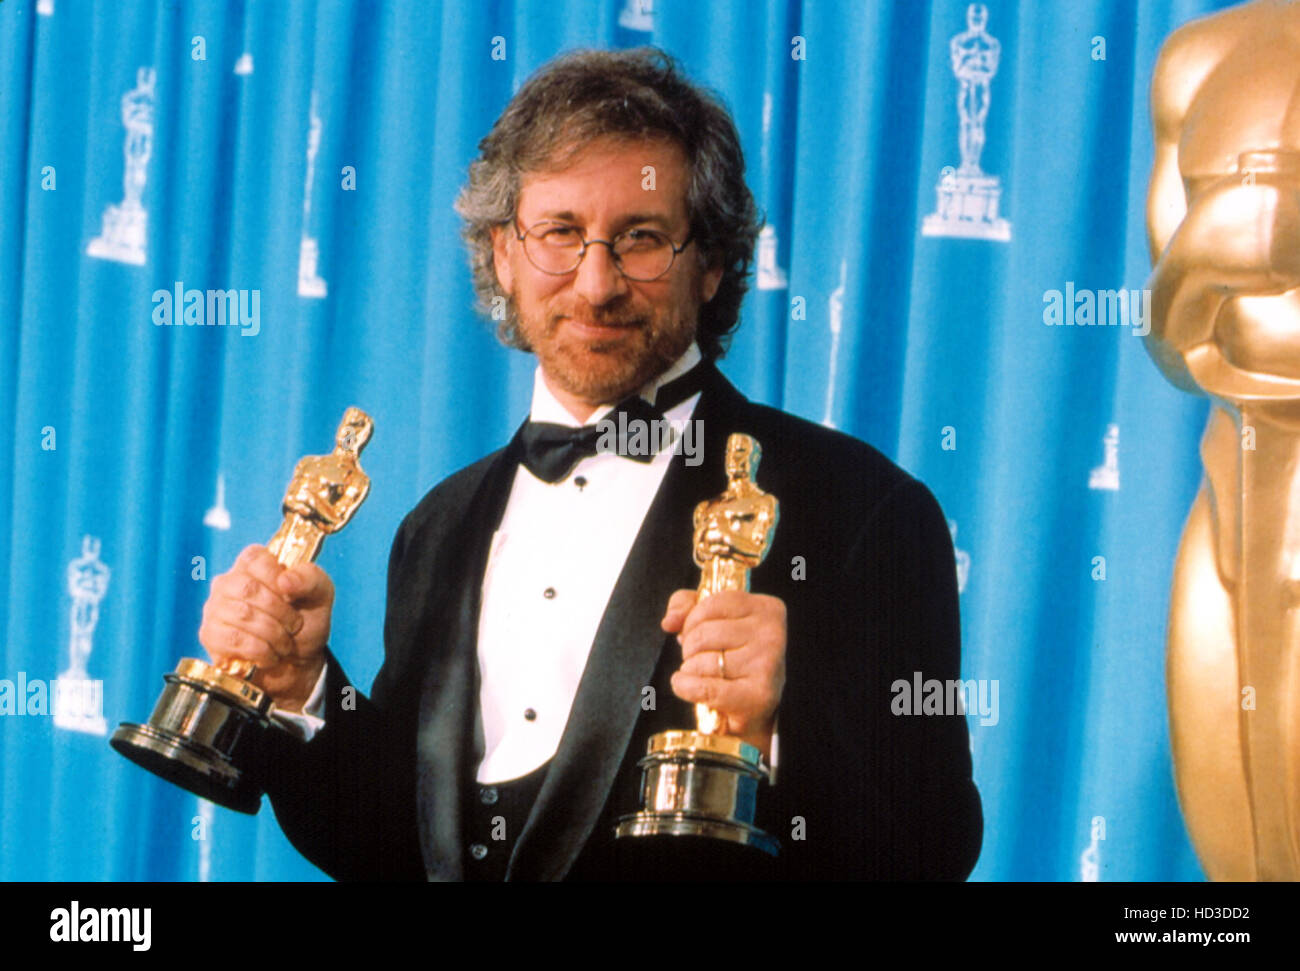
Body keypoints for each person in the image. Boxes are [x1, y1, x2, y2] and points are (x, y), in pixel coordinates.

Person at [198, 47, 982, 881]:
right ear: (504, 253)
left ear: (712, 263)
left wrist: (775, 736)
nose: (597, 282)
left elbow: (931, 849)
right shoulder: (438, 525)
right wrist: (304, 690)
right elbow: (393, 845)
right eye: (561, 234)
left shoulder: (862, 510)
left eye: (641, 239)